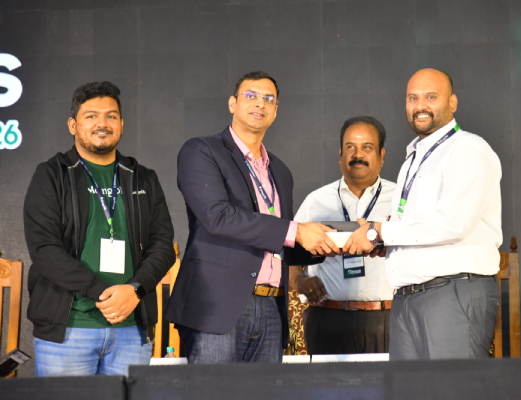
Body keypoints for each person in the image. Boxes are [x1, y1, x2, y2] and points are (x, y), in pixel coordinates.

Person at [165, 71, 338, 363]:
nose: (260, 103)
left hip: (271, 307)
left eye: (268, 99)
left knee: (263, 389)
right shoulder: (202, 151)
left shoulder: (279, 171)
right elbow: (218, 216)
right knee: (215, 388)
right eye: (251, 96)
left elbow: (279, 243)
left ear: (275, 111)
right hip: (216, 306)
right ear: (232, 104)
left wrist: (329, 242)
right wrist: (297, 231)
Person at [344, 68, 502, 360]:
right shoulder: (413, 158)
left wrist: (378, 231)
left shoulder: (468, 149)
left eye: (431, 97)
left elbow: (453, 223)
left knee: (451, 384)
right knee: (407, 385)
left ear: (452, 103)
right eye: (412, 98)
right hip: (407, 299)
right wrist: (388, 242)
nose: (420, 106)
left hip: (451, 292)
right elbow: (418, 224)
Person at [23, 81, 176, 376]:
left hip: (132, 328)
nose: (102, 123)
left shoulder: (144, 178)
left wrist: (134, 290)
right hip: (69, 330)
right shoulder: (52, 174)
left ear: (121, 124)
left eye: (111, 116)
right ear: (73, 125)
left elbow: (162, 245)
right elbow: (43, 249)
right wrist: (103, 293)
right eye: (91, 116)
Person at [290, 116, 396, 355]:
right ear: (340, 154)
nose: (358, 154)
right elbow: (288, 260)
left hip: (389, 319)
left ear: (381, 155)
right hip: (328, 319)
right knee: (328, 382)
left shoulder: (401, 200)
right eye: (350, 147)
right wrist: (300, 281)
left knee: (390, 382)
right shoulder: (316, 202)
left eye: (367, 147)